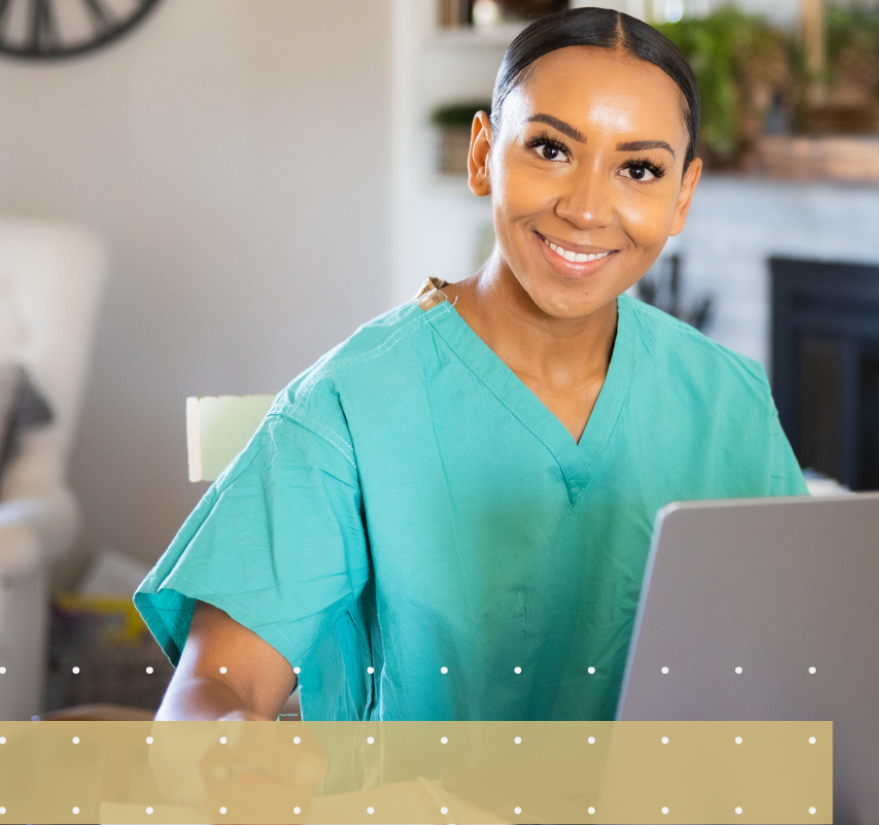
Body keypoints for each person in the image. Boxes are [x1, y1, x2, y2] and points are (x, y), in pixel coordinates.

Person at [136, 8, 804, 731]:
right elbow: (209, 692)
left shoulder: (728, 401)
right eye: (550, 150)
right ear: (484, 154)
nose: (585, 209)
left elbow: (803, 658)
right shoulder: (347, 405)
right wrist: (227, 744)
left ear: (681, 196)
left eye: (637, 168)